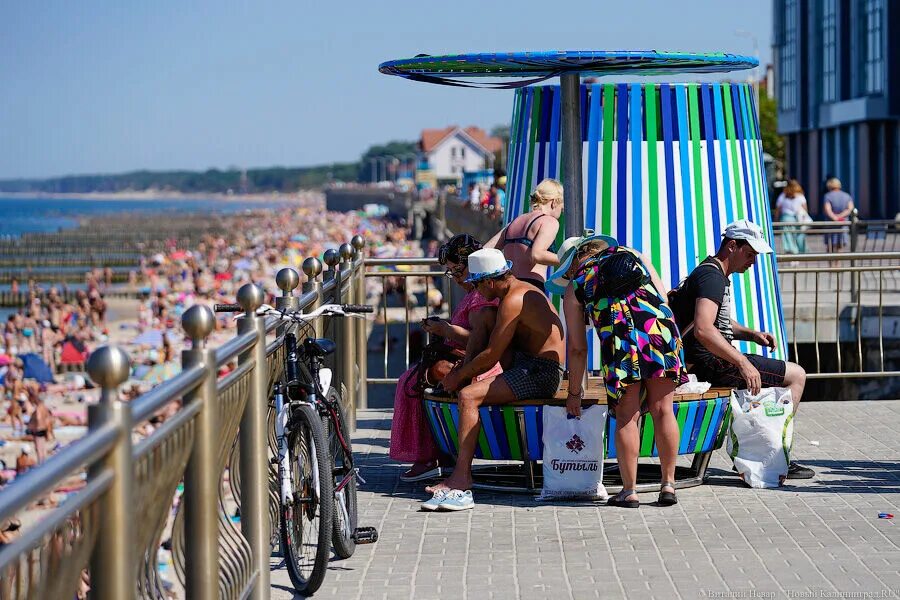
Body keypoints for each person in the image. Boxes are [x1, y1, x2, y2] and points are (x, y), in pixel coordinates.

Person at [547, 233, 688, 507]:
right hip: (660, 334)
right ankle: (668, 485)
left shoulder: (575, 286)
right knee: (663, 410)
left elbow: (577, 349)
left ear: (574, 262)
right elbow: (664, 299)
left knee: (627, 417)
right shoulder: (635, 254)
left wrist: (575, 393)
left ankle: (629, 490)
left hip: (621, 344)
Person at [668, 219, 814, 479]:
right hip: (710, 363)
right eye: (750, 254)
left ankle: (759, 453)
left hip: (710, 359)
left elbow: (718, 323)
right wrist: (742, 363)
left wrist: (751, 334)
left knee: (780, 378)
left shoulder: (712, 272)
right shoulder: (713, 278)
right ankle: (775, 456)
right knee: (797, 375)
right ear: (732, 246)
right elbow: (703, 329)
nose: (753, 262)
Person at [424, 248, 565, 510]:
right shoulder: (516, 289)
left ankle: (461, 478)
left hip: (541, 372)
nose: (475, 291)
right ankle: (460, 471)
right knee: (483, 316)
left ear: (489, 281)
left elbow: (491, 355)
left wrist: (458, 376)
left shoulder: (514, 300)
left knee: (469, 397)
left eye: (476, 284)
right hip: (527, 362)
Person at [389, 234, 500, 482]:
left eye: (456, 272)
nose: (456, 279)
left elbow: (479, 339)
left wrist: (445, 330)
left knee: (413, 384)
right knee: (413, 380)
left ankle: (430, 456)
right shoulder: (475, 292)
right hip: (467, 359)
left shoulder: (480, 296)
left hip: (476, 365)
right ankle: (434, 454)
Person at [486, 178, 563, 292]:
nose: (561, 212)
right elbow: (537, 255)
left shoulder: (514, 223)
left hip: (507, 289)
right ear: (554, 202)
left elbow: (486, 250)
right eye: (562, 207)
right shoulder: (549, 221)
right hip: (530, 288)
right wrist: (570, 260)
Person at [775, 179, 809, 254]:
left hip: (785, 219)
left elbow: (778, 209)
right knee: (798, 235)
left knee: (788, 236)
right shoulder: (800, 196)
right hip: (798, 219)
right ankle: (800, 251)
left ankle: (791, 252)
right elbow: (805, 210)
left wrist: (776, 220)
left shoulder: (783, 196)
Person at [822, 178, 855, 254]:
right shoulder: (847, 196)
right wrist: (841, 216)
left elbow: (828, 210)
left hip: (831, 225)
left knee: (830, 247)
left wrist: (835, 217)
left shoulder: (827, 196)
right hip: (842, 224)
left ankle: (831, 265)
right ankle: (838, 265)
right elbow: (850, 208)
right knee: (840, 247)